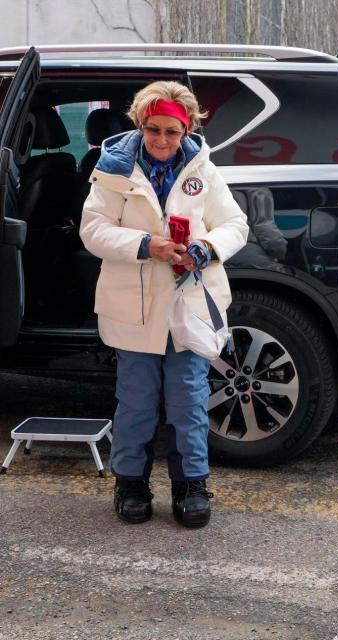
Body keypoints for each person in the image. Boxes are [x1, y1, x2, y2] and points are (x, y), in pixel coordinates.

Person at [80, 81, 249, 528]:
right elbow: (92, 230)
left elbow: (234, 223)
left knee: (187, 400)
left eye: (172, 131)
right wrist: (145, 245)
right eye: (153, 129)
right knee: (135, 401)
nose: (161, 140)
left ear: (187, 128)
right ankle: (130, 482)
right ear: (140, 124)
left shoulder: (202, 170)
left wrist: (205, 248)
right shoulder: (113, 170)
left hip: (187, 307)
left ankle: (191, 483)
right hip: (133, 309)